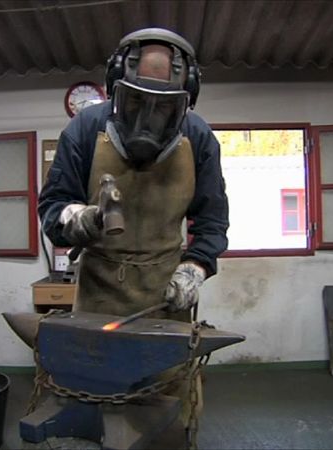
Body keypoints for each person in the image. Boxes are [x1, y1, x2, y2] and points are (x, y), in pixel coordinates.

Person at [37, 26, 229, 441]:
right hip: (97, 295)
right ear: (114, 89)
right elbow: (52, 208)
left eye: (163, 107)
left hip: (166, 299)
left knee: (166, 409)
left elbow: (212, 222)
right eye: (136, 101)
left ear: (186, 100)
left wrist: (194, 269)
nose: (147, 118)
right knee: (97, 404)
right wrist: (80, 219)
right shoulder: (86, 129)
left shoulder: (198, 139)